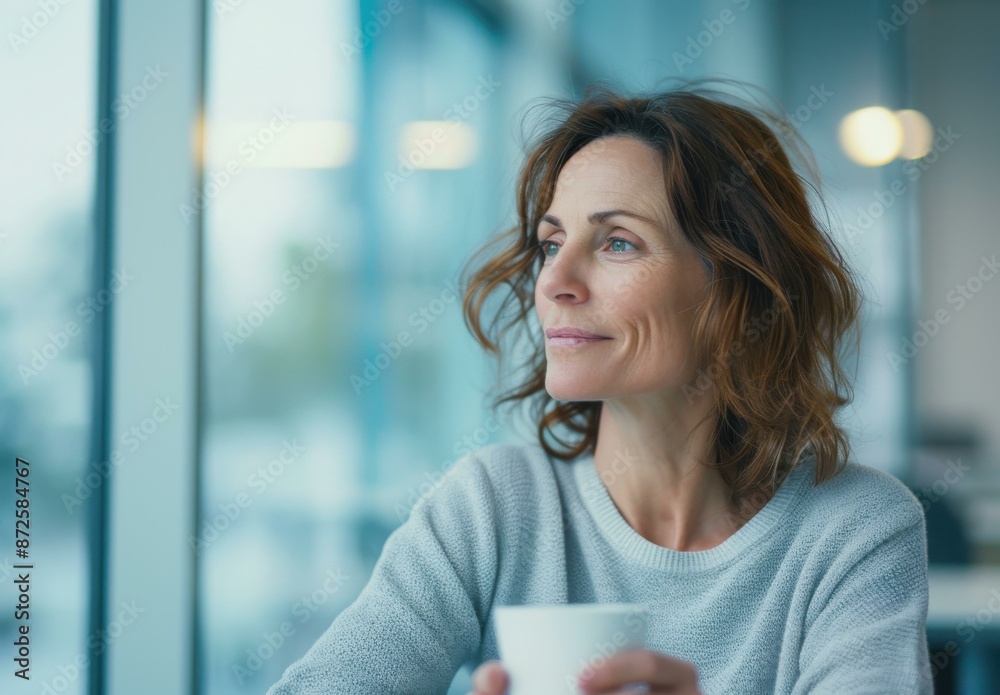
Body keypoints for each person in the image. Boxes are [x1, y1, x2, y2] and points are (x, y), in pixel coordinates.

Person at [267, 81, 932, 695]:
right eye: (552, 243)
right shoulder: (491, 510)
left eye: (617, 243)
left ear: (736, 291)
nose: (555, 281)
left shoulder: (856, 529)